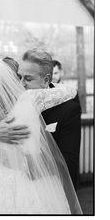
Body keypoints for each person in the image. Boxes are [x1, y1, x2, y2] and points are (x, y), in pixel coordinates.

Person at [0, 59, 82, 214]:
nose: (22, 82)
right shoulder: (27, 100)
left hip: (4, 178)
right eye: (19, 77)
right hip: (35, 180)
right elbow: (68, 91)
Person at [19, 49, 81, 188]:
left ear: (46, 80)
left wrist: (27, 166)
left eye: (28, 79)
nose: (21, 84)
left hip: (51, 187)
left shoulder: (68, 108)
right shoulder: (16, 100)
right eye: (20, 77)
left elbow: (69, 162)